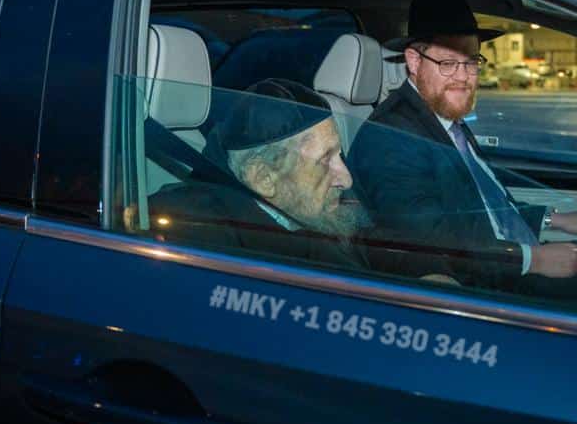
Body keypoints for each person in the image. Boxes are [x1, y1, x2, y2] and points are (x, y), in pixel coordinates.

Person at [349, 0, 577, 291]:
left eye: (471, 62)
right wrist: (534, 260)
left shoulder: (443, 118)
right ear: (414, 61)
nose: (463, 77)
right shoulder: (390, 138)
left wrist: (553, 219)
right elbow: (430, 244)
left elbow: (484, 207)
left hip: (503, 260)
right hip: (485, 285)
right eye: (448, 63)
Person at [151, 78, 451, 280]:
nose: (346, 179)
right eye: (325, 160)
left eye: (339, 156)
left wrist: (434, 274)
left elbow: (371, 241)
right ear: (264, 178)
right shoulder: (203, 237)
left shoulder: (307, 205)